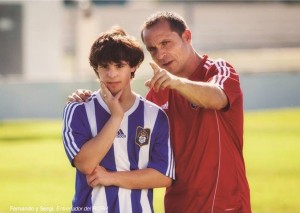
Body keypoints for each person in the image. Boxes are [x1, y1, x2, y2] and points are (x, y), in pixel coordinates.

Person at [68, 11, 251, 213]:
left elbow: (218, 98)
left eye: (166, 43)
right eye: (152, 49)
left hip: (224, 203)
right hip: (177, 206)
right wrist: (87, 97)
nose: (160, 55)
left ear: (187, 37)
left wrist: (176, 83)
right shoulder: (156, 96)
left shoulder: (217, 71)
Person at [62, 26, 175, 213]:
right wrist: (116, 117)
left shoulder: (155, 116)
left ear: (133, 67)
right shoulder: (78, 109)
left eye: (119, 66)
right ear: (96, 69)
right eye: (105, 66)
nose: (111, 74)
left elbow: (163, 176)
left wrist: (112, 177)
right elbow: (86, 164)